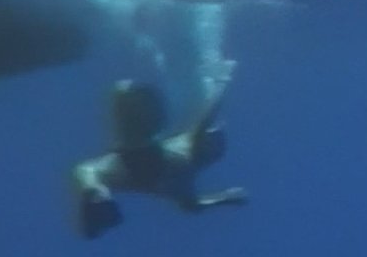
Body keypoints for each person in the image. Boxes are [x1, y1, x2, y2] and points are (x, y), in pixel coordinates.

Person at [71, 76, 248, 239]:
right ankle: (99, 198)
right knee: (91, 170)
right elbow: (193, 206)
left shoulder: (191, 143)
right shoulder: (187, 185)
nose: (211, 131)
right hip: (150, 178)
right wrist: (226, 198)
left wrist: (223, 81)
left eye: (213, 134)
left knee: (88, 170)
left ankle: (97, 192)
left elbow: (207, 117)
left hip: (146, 159)